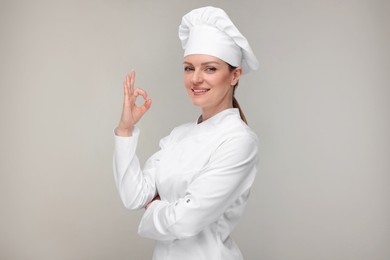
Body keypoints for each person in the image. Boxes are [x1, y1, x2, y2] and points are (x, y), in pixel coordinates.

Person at [113, 6, 259, 260]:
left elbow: (186, 221)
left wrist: (154, 206)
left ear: (234, 75)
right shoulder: (178, 135)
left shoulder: (239, 141)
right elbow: (133, 195)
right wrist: (125, 130)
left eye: (210, 68)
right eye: (189, 68)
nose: (196, 79)